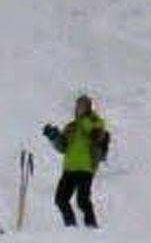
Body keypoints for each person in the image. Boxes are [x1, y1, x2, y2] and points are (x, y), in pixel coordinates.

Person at [42, 93, 111, 228]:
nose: (78, 108)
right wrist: (53, 136)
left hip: (86, 167)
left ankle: (91, 227)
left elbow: (96, 135)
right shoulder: (71, 127)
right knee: (60, 199)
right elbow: (62, 147)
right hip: (69, 168)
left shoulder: (97, 122)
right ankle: (71, 227)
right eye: (77, 105)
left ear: (88, 107)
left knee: (82, 201)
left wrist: (84, 119)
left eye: (82, 105)